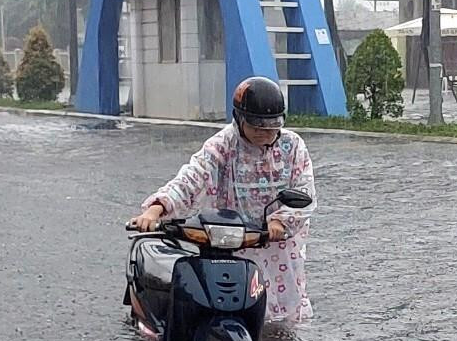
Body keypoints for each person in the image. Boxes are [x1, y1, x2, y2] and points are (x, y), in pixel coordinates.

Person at [128, 77, 317, 326]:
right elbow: (192, 177)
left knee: (283, 324)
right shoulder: (222, 145)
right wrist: (156, 209)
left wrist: (282, 223)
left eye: (272, 126)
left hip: (278, 247)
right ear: (239, 119)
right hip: (230, 243)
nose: (266, 133)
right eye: (257, 126)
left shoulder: (292, 146)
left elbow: (304, 189)